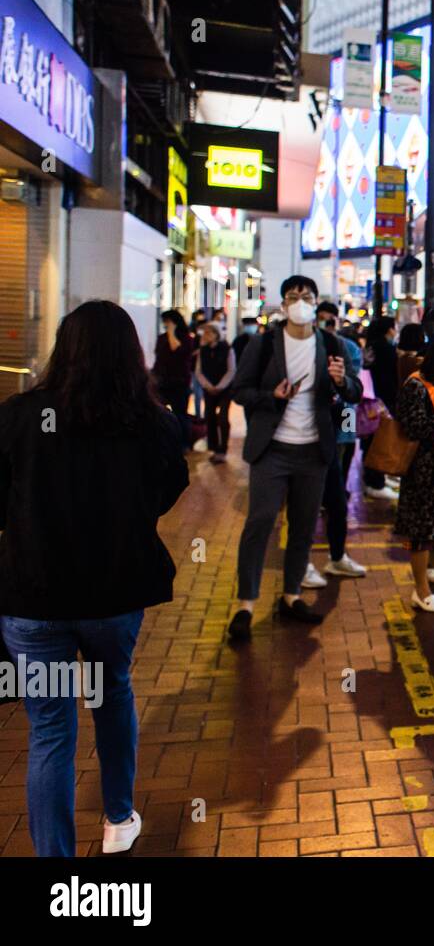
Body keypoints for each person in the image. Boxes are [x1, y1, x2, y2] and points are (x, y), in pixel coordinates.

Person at [0, 300, 190, 856]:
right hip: (112, 596)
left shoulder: (17, 416)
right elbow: (166, 491)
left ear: (65, 349)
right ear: (131, 356)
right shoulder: (151, 421)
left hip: (33, 602)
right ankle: (117, 819)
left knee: (50, 731)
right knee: (111, 695)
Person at [226, 275, 362, 643]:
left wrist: (339, 382)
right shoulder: (264, 343)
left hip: (314, 450)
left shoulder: (332, 343)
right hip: (272, 448)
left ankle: (291, 595)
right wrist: (271, 395)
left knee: (303, 525)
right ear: (283, 305)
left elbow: (355, 389)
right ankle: (245, 604)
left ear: (316, 303)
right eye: (293, 296)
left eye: (307, 296)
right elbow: (239, 391)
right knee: (261, 520)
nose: (300, 302)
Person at [304, 300, 368, 587]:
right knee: (305, 503)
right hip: (307, 434)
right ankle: (302, 563)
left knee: (337, 498)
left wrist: (340, 381)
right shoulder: (303, 347)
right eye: (321, 320)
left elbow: (354, 388)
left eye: (331, 321)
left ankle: (338, 555)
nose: (326, 326)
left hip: (340, 422)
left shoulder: (346, 348)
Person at [394, 337, 434, 612]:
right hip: (421, 472)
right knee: (421, 531)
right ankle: (420, 590)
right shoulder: (415, 386)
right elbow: (414, 427)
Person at [361, 315, 399, 500]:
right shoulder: (386, 349)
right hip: (382, 401)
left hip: (368, 401)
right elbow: (390, 378)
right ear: (388, 330)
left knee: (370, 441)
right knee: (379, 441)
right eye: (393, 327)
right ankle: (375, 482)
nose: (395, 331)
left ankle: (377, 478)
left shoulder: (370, 346)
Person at [195, 323, 236, 464]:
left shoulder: (227, 348)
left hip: (224, 389)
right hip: (209, 389)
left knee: (223, 418)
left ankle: (222, 448)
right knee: (210, 417)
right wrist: (207, 386)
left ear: (216, 333)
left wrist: (219, 386)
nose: (205, 335)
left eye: (208, 332)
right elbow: (198, 371)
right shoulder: (203, 350)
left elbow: (231, 370)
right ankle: (214, 447)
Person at [152, 309, 195, 437]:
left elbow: (175, 349)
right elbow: (159, 358)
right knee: (158, 412)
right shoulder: (162, 338)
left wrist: (171, 332)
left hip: (179, 382)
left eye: (167, 321)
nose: (165, 324)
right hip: (162, 381)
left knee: (180, 413)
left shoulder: (186, 338)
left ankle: (184, 443)